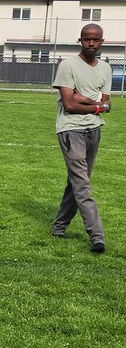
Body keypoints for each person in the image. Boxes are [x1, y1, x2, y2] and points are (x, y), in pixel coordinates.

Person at [51, 23, 111, 254]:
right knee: (83, 186)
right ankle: (97, 235)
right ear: (80, 40)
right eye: (87, 39)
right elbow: (69, 105)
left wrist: (86, 100)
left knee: (77, 182)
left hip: (94, 130)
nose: (91, 43)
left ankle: (58, 227)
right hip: (70, 130)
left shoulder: (105, 69)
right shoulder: (68, 66)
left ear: (102, 42)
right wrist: (95, 104)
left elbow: (106, 105)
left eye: (95, 40)